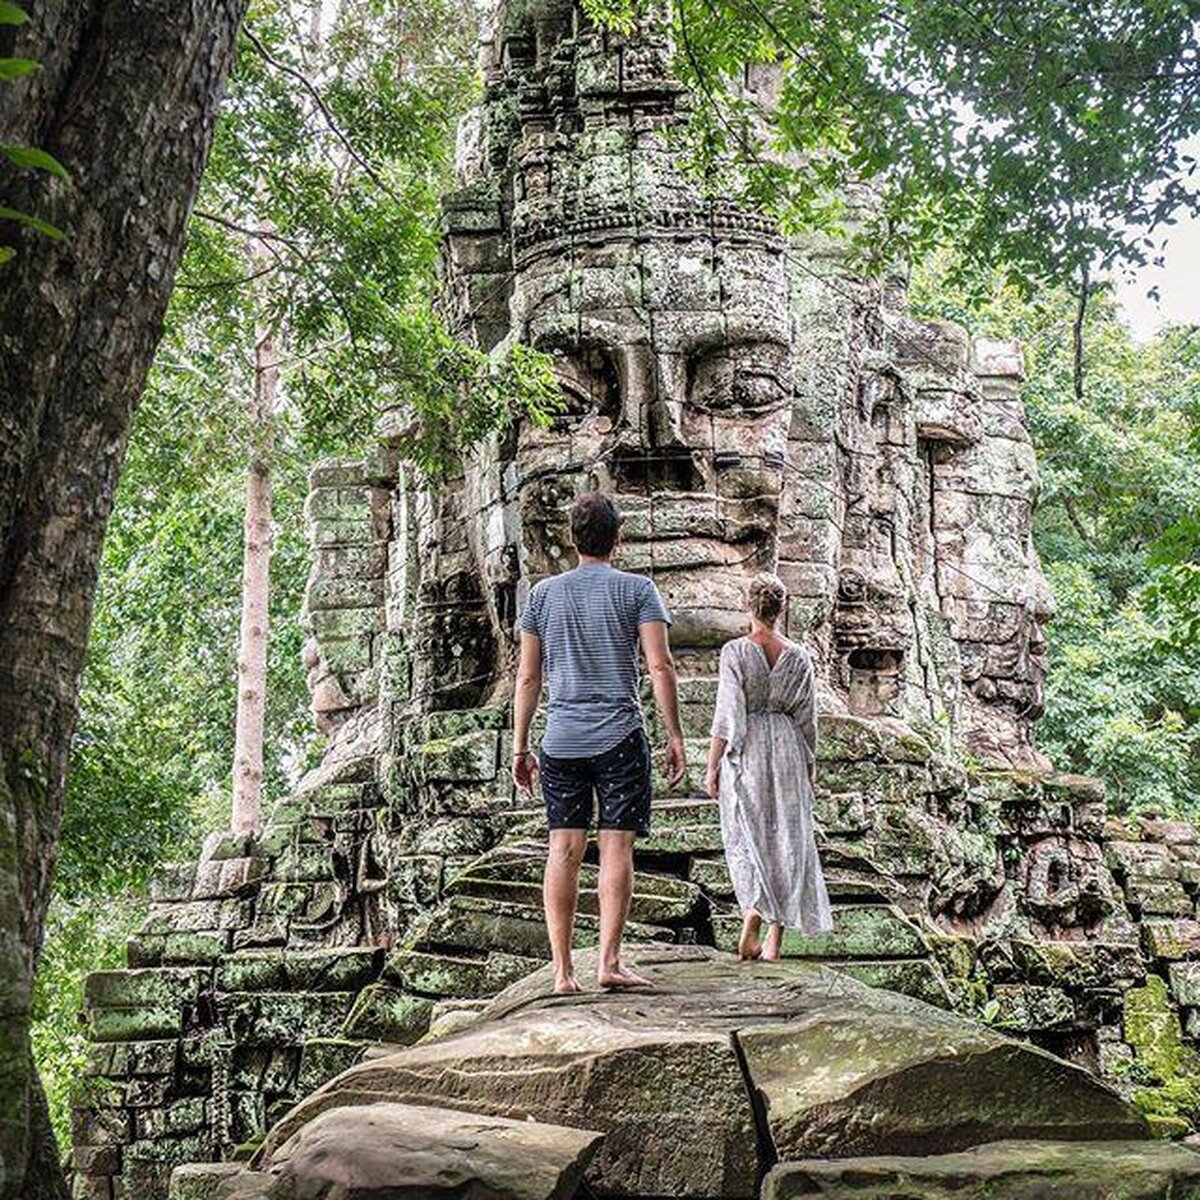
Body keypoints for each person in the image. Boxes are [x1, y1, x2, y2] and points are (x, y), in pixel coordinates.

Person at [512, 492, 687, 993]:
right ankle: (609, 963)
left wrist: (520, 747)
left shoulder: (543, 596)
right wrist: (674, 734)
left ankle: (563, 972)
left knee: (563, 848)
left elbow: (529, 678)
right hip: (619, 737)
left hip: (560, 740)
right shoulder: (638, 590)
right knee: (616, 848)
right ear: (618, 537)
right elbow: (660, 666)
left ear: (572, 539)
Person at [703, 572, 832, 960]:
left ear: (748, 605)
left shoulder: (735, 652)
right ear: (783, 607)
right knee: (789, 837)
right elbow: (808, 719)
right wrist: (810, 766)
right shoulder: (799, 657)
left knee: (748, 834)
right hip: (789, 747)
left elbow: (727, 714)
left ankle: (755, 910)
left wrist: (712, 765)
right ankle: (774, 942)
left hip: (750, 749)